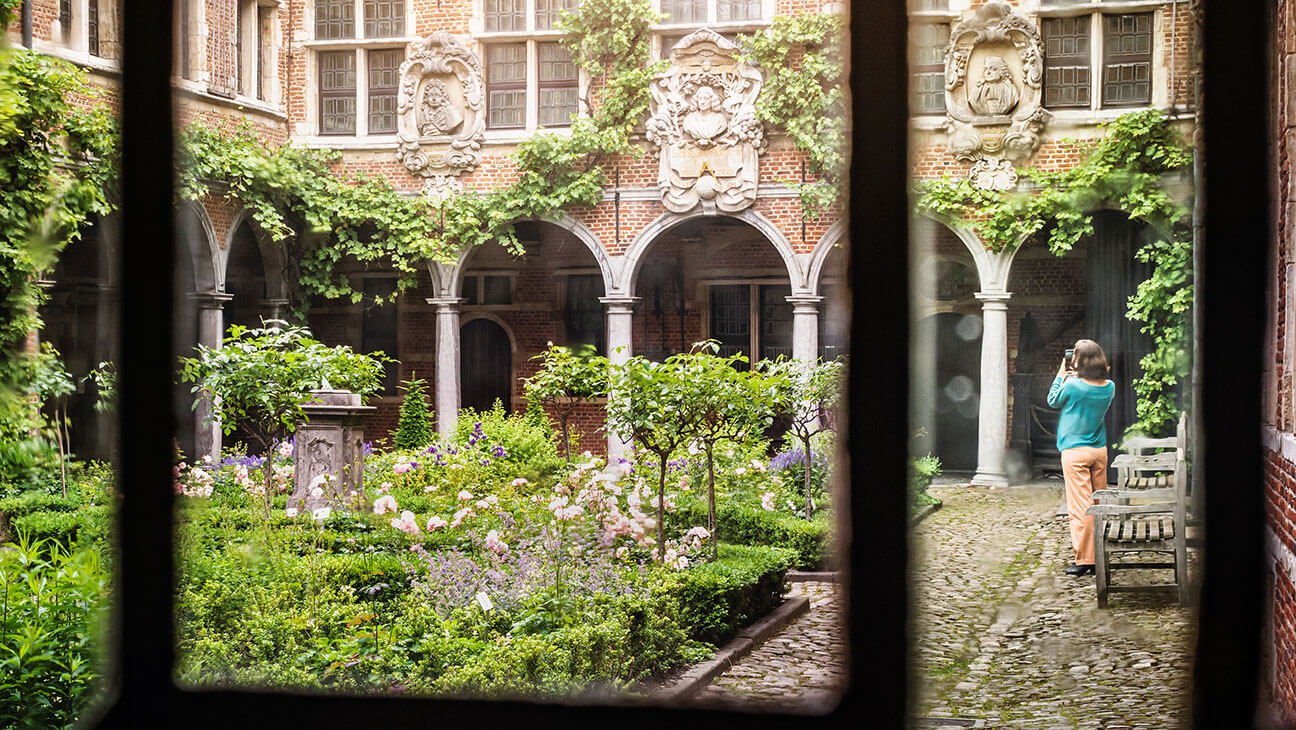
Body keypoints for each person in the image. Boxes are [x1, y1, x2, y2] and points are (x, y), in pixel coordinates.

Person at [1046, 339, 1116, 577]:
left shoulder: (1073, 386)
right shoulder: (1109, 386)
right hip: (1099, 450)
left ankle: (1086, 559)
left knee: (1081, 508)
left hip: (1075, 452)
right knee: (1098, 503)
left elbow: (1052, 399)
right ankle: (1100, 552)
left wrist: (1061, 373)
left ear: (1078, 360)